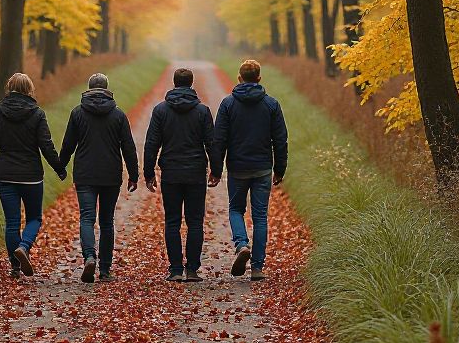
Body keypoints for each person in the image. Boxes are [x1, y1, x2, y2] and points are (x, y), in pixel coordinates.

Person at [0, 72, 66, 278]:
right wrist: (59, 168)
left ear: (9, 88)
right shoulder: (37, 113)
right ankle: (24, 247)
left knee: (12, 222)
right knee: (34, 218)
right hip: (31, 176)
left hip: (5, 176)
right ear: (29, 89)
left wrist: (0, 162)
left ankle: (15, 266)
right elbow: (46, 145)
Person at [59, 73, 139, 283]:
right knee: (106, 221)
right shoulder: (118, 115)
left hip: (85, 173)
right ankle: (104, 269)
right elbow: (128, 148)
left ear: (88, 88)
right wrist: (134, 175)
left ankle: (89, 257)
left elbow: (68, 145)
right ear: (107, 89)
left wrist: (60, 167)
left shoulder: (77, 113)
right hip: (110, 174)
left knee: (87, 217)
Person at [144, 67, 222, 283]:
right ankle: (193, 270)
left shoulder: (161, 111)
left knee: (172, 221)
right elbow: (211, 143)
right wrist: (216, 170)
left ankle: (176, 269)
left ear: (174, 82)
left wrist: (148, 172)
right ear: (191, 83)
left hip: (171, 172)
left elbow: (152, 143)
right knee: (195, 221)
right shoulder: (202, 111)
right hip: (196, 172)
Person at [213, 58, 288, 281]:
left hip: (237, 167)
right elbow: (281, 140)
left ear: (239, 78)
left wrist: (216, 170)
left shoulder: (228, 104)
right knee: (260, 216)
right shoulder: (271, 104)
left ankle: (242, 244)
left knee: (236, 209)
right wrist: (280, 168)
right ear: (259, 78)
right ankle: (257, 267)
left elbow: (219, 139)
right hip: (263, 168)